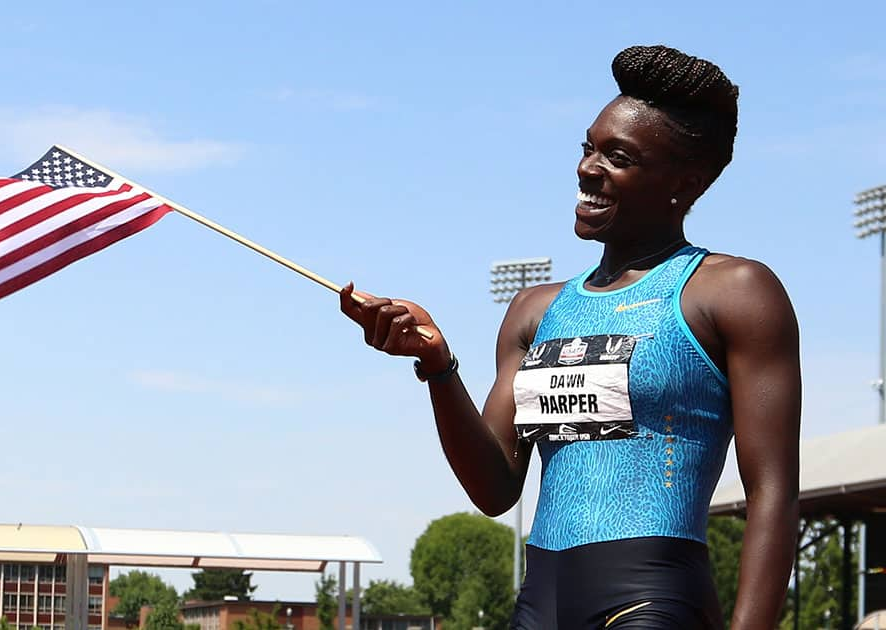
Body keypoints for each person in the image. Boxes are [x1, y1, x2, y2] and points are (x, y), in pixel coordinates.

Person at [340, 45, 800, 629]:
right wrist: (436, 365)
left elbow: (774, 494)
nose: (587, 168)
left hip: (653, 603)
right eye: (588, 148)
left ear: (683, 184)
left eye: (619, 157)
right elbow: (494, 488)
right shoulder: (536, 309)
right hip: (540, 604)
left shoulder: (734, 292)